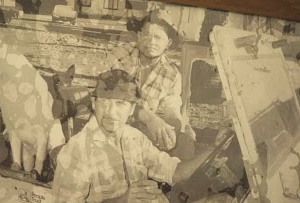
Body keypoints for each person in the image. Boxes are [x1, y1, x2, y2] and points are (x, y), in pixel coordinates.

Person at [51, 69, 213, 202]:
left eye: (120, 104)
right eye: (105, 102)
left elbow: (174, 172)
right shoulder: (77, 151)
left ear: (131, 110)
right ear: (94, 104)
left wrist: (212, 150)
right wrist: (124, 200)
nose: (111, 112)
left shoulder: (134, 137)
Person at [106, 9, 195, 158]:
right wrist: (149, 118)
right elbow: (115, 99)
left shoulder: (172, 74)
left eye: (158, 37)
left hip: (139, 133)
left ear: (168, 43)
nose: (151, 42)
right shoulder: (120, 56)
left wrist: (172, 130)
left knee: (186, 145)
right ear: (139, 36)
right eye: (146, 35)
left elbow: (172, 109)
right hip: (109, 125)